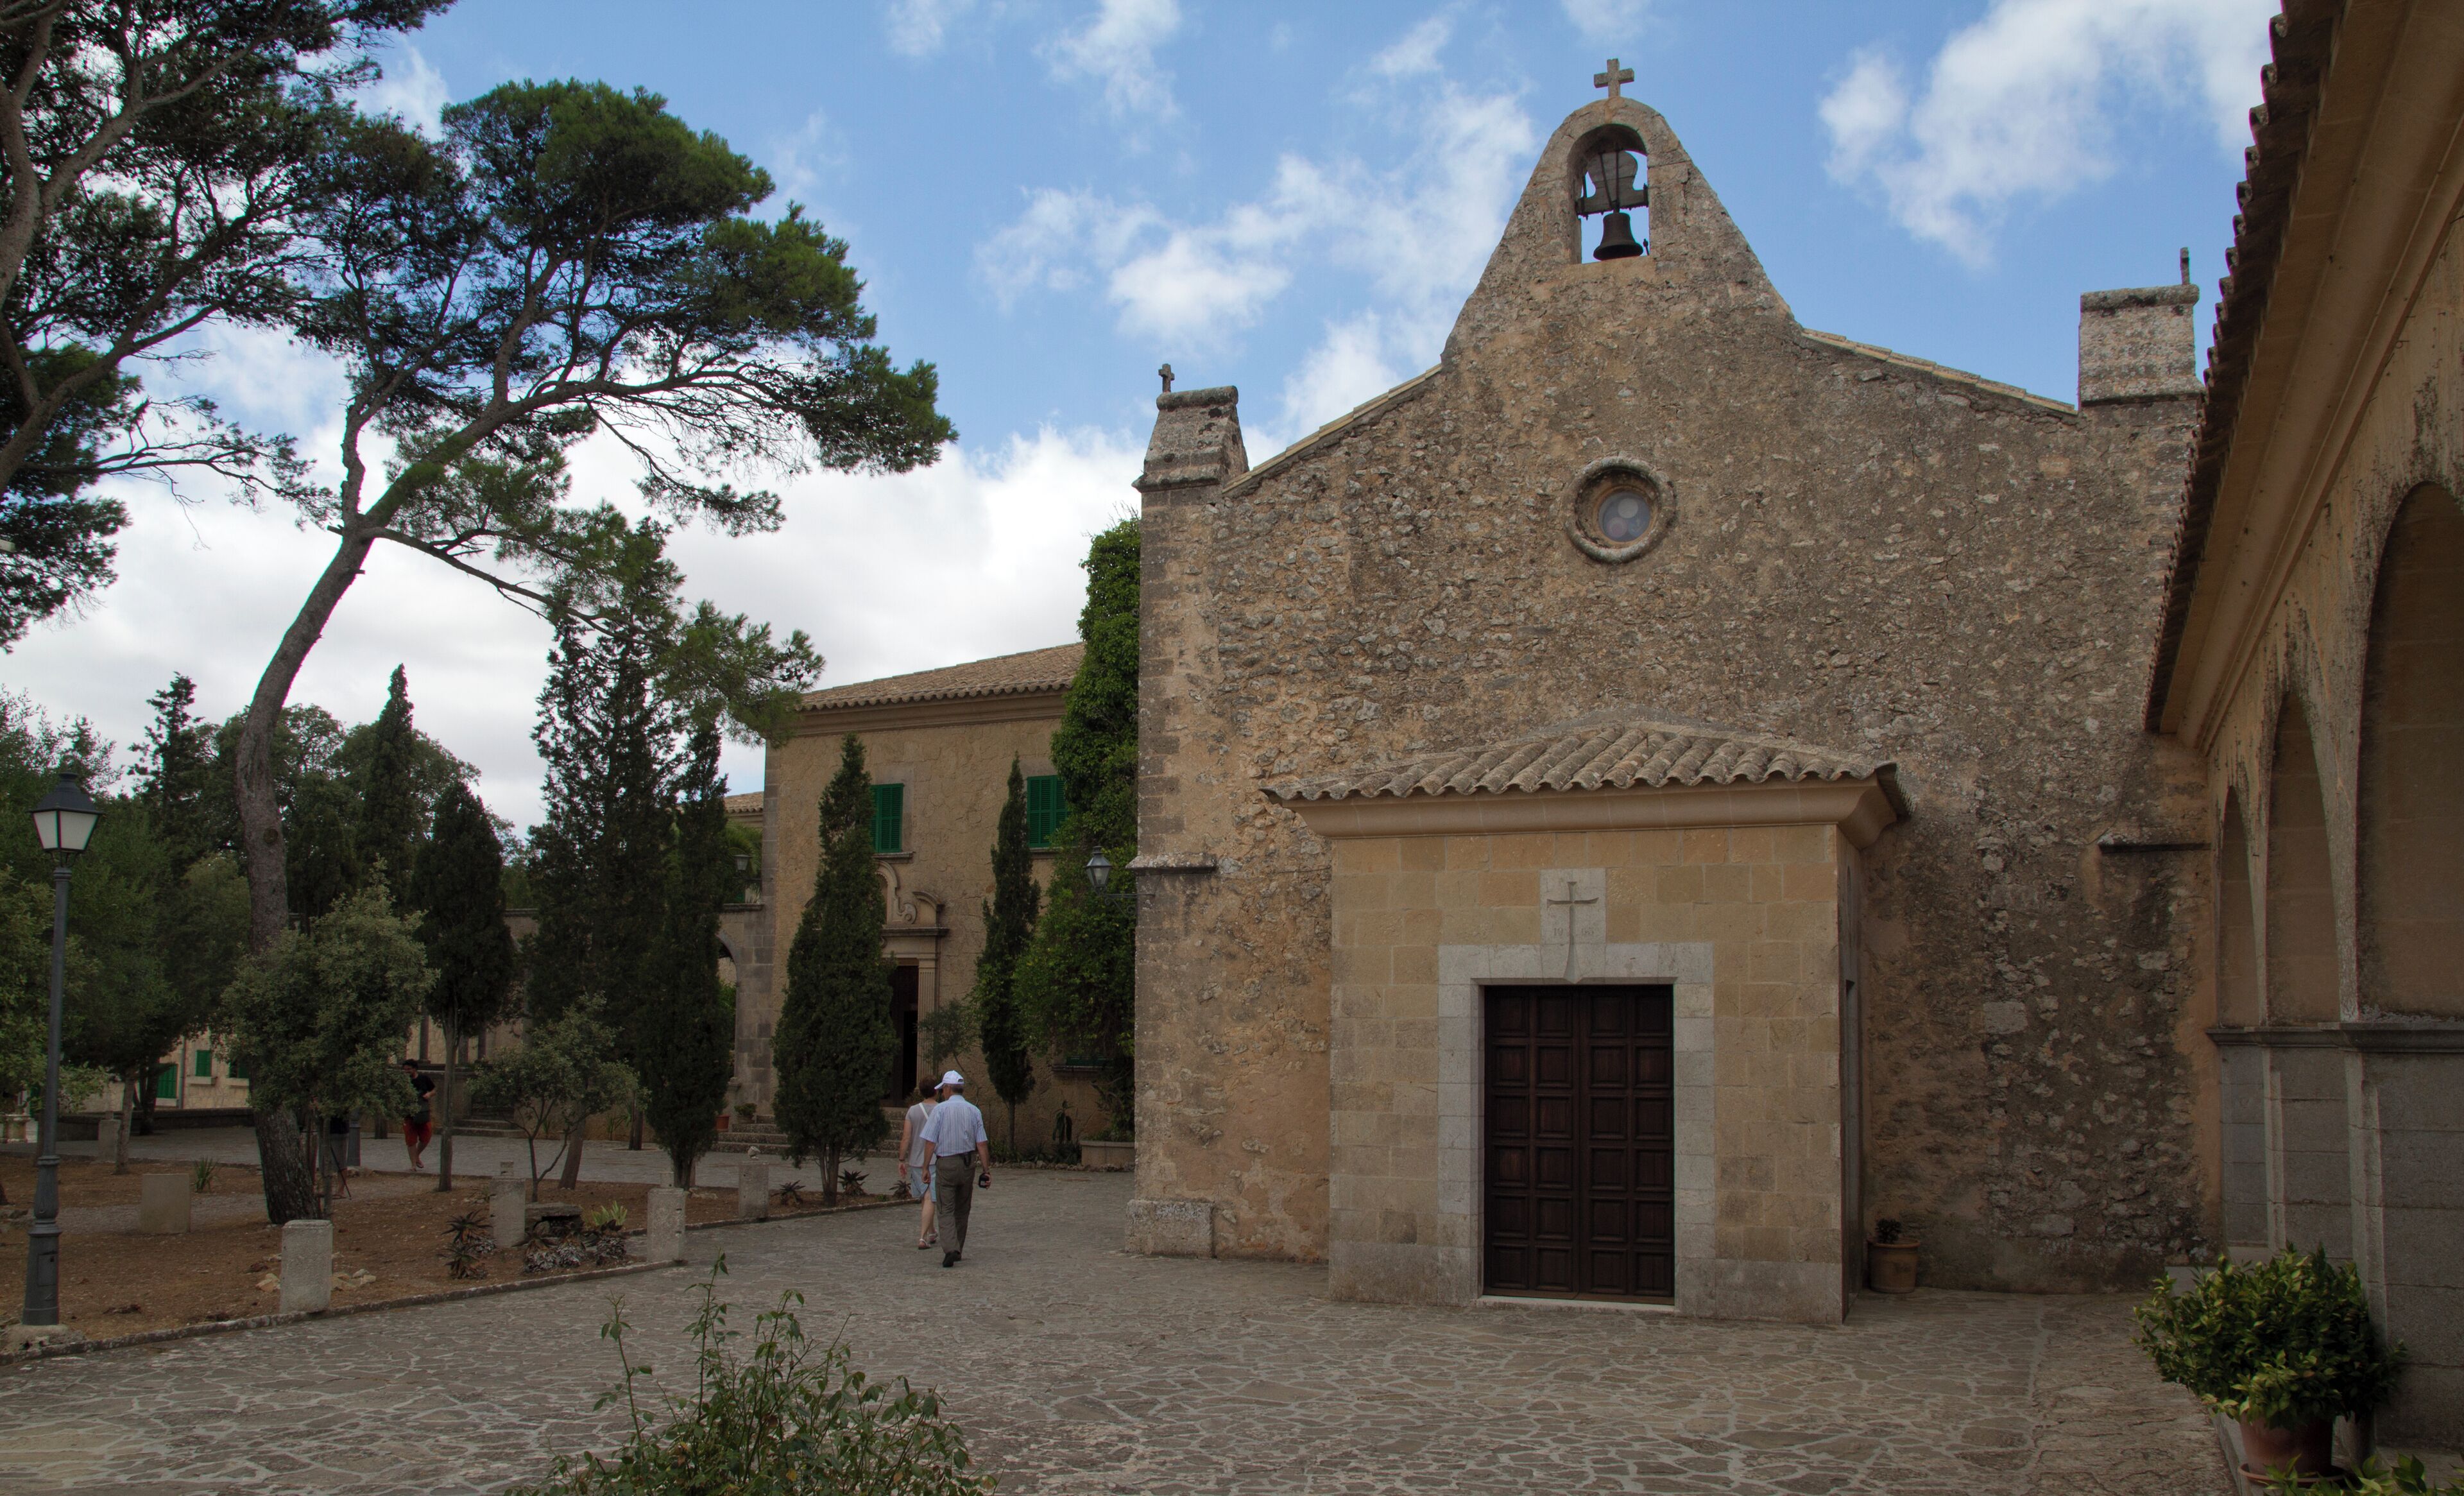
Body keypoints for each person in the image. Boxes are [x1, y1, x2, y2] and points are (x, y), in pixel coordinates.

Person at [917, 1069, 991, 1268]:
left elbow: (930, 1142)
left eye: (943, 1090)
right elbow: (982, 1143)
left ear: (949, 1089)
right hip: (968, 1164)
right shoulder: (974, 1111)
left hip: (947, 1163)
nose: (942, 1093)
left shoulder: (940, 1110)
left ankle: (951, 1248)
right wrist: (986, 1171)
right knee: (963, 1208)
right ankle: (958, 1246)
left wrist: (925, 1167)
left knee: (946, 1207)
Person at [898, 1078, 940, 1249]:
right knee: (930, 1197)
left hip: (916, 1160)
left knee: (925, 1196)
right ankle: (923, 1237)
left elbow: (906, 1137)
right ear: (936, 1091)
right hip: (935, 1159)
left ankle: (932, 1231)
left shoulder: (913, 1111)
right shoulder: (941, 1109)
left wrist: (901, 1159)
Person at [400, 1059, 436, 1172]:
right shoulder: (402, 1081)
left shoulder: (424, 1079)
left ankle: (416, 1156)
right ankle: (413, 1165)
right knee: (411, 1140)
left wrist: (429, 1095)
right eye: (405, 1070)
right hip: (408, 1114)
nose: (407, 1072)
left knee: (426, 1137)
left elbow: (433, 1090)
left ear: (415, 1069)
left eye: (409, 1069)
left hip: (422, 1112)